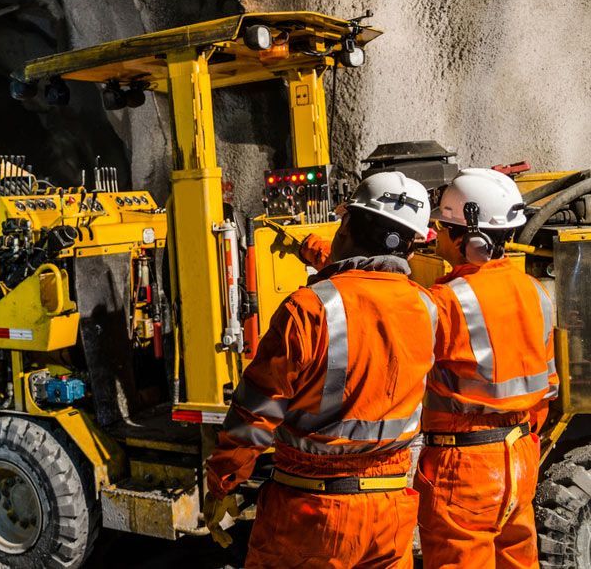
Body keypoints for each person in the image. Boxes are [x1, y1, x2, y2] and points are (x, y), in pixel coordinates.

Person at [204, 171, 437, 568]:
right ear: (411, 249)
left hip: (312, 514)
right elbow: (370, 280)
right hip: (390, 515)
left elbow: (255, 411)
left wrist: (223, 481)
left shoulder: (308, 309)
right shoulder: (429, 308)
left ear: (345, 226)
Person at [414, 168, 557, 568]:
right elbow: (547, 388)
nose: (437, 234)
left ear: (469, 239)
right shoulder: (536, 292)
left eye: (443, 226)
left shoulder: (445, 301)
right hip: (521, 454)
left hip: (465, 467)